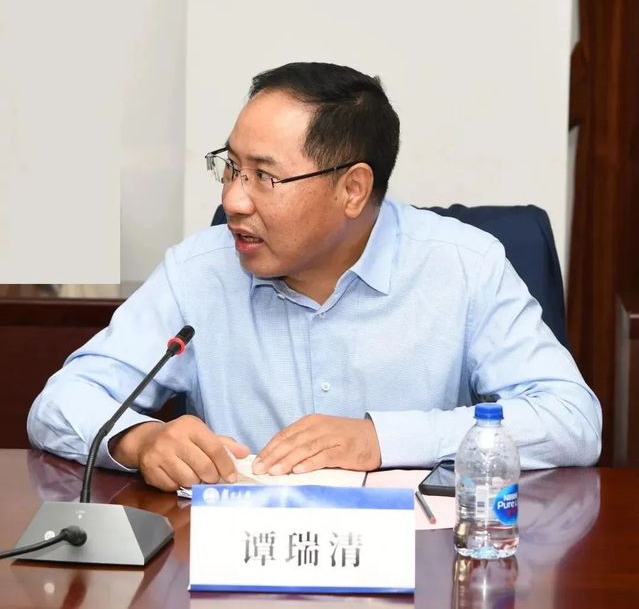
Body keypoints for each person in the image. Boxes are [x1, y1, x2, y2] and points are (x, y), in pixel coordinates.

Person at [28, 62, 602, 492]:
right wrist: (139, 439)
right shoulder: (199, 271)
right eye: (231, 168)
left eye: (265, 177)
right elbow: (60, 403)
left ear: (352, 189)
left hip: (416, 565)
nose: (233, 201)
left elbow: (571, 419)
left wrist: (383, 439)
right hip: (241, 567)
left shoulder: (465, 266)